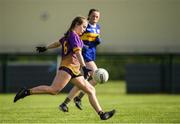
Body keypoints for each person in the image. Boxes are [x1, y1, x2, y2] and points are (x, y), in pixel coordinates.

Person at [13, 16, 115, 120]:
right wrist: (84, 67)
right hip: (68, 68)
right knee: (54, 90)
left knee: (91, 90)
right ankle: (26, 92)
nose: (84, 30)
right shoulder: (74, 36)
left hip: (74, 70)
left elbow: (58, 43)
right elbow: (78, 52)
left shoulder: (69, 36)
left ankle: (102, 114)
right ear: (76, 24)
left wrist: (46, 48)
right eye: (83, 27)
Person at [59, 9, 102, 112]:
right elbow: (76, 39)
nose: (95, 18)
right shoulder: (84, 27)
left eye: (97, 16)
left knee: (82, 82)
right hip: (84, 55)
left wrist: (97, 41)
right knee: (97, 75)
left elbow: (94, 40)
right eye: (93, 16)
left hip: (91, 55)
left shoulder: (98, 27)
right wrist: (83, 46)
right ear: (89, 16)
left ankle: (65, 103)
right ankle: (78, 98)